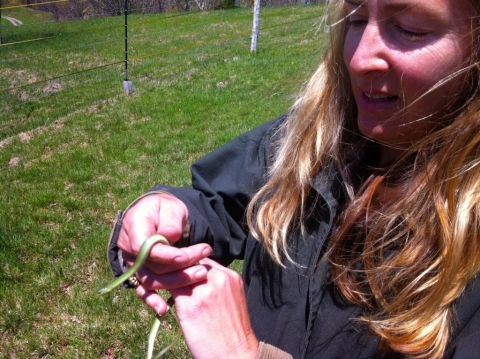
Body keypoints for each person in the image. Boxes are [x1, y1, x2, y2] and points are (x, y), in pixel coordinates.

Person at [106, 0, 480, 358]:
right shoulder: (308, 138)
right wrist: (171, 213)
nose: (360, 58)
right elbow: (220, 203)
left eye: (409, 29)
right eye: (355, 18)